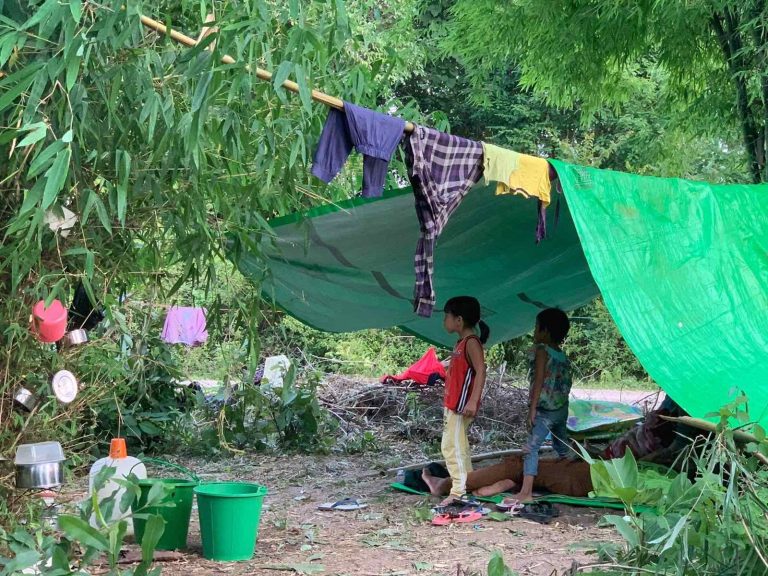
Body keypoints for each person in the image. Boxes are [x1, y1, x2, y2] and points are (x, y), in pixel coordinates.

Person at [510, 308, 573, 503]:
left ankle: (526, 492)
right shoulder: (562, 355)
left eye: (537, 328)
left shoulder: (542, 352)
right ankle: (572, 477)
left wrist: (532, 409)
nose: (534, 332)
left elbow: (538, 381)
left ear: (545, 331)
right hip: (561, 408)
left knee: (531, 447)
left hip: (545, 410)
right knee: (562, 446)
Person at [438, 296, 490, 505]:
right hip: (452, 404)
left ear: (458, 320)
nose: (444, 321)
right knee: (457, 444)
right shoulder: (461, 343)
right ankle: (469, 482)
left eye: (446, 317)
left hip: (461, 406)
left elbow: (481, 371)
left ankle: (458, 491)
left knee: (452, 447)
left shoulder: (471, 343)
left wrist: (473, 401)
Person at [422, 453, 592, 499]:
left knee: (517, 466)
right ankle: (513, 483)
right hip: (592, 473)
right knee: (539, 465)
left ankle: (443, 485)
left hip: (591, 478)